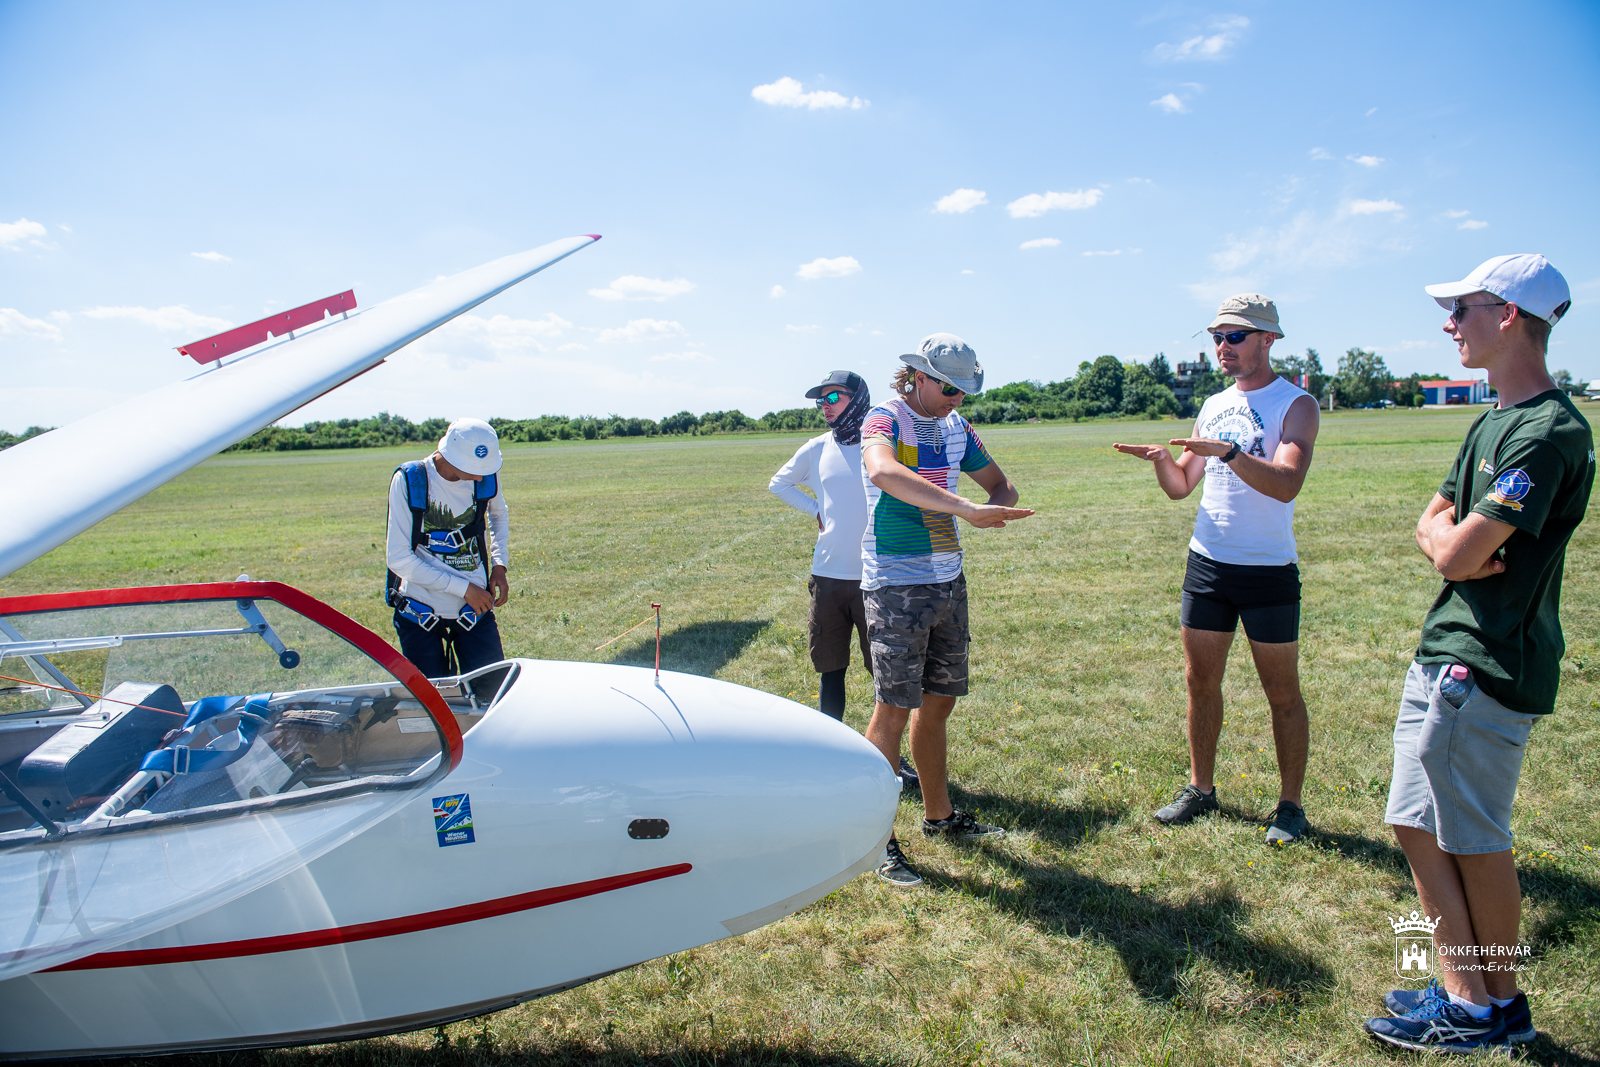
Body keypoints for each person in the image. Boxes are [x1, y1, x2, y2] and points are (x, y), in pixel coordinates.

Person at [1364, 255, 1588, 1054]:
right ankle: (1469, 992)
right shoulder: (1493, 418)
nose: (1449, 322)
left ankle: (1491, 1004)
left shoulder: (1549, 431)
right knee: (1413, 821)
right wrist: (1446, 542)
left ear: (1509, 315)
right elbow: (1436, 528)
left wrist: (1450, 545)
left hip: (1488, 660)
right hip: (1445, 646)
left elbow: (1460, 552)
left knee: (1474, 835)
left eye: (1462, 308)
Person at [1113, 294, 1319, 845]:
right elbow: (1183, 485)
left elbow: (1286, 484)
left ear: (1268, 339)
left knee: (1282, 692)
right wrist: (1163, 461)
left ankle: (1291, 807)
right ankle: (1200, 790)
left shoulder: (1297, 405)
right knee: (1200, 681)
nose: (1222, 347)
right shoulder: (1213, 403)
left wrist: (1228, 453)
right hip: (1208, 564)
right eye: (1217, 338)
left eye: (1235, 337)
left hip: (1267, 569)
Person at [859, 334, 1033, 887]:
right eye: (949, 388)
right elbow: (883, 472)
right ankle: (874, 840)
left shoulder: (958, 426)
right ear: (918, 377)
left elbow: (1000, 484)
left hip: (948, 581)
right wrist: (964, 508)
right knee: (892, 710)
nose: (957, 399)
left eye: (964, 391)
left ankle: (940, 817)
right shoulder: (884, 419)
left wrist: (994, 509)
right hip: (896, 583)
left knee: (937, 705)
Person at [768, 372, 918, 785]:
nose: (825, 406)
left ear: (858, 397)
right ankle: (829, 755)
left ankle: (891, 757)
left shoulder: (884, 443)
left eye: (833, 397)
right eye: (820, 401)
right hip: (829, 577)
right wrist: (815, 509)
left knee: (885, 675)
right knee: (830, 668)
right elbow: (779, 483)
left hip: (879, 576)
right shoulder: (818, 448)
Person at [385, 417, 511, 677]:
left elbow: (498, 515)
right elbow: (399, 559)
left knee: (492, 690)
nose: (480, 476)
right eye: (473, 468)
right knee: (432, 698)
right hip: (419, 612)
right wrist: (464, 589)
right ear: (450, 456)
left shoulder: (485, 473)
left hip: (475, 611)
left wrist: (499, 564)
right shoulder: (411, 480)